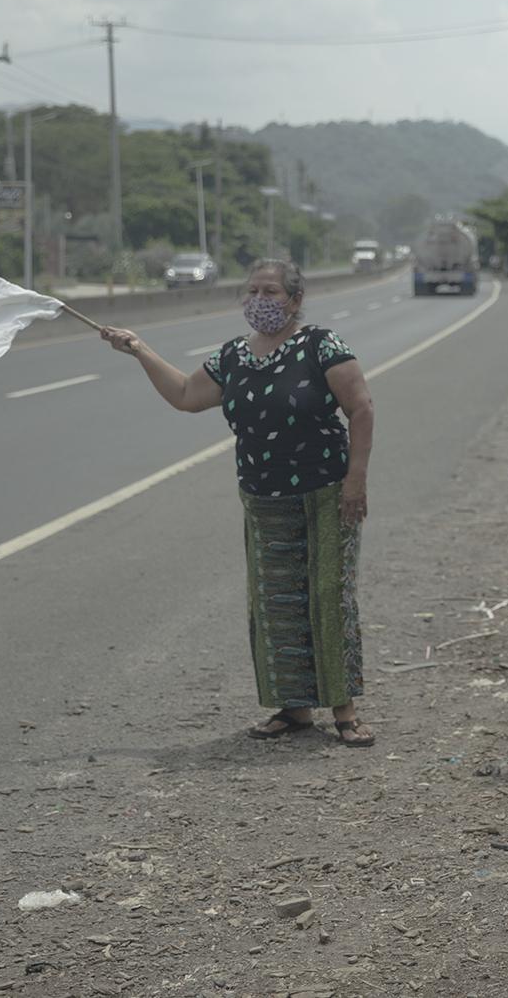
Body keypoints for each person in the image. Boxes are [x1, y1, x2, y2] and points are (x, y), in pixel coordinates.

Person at [99, 258, 378, 746]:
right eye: (251, 291)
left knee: (328, 598)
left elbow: (361, 407)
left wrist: (356, 480)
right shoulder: (232, 356)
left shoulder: (320, 345)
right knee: (276, 603)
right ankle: (294, 710)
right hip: (263, 498)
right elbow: (186, 395)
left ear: (294, 300)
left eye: (270, 291)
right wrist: (139, 350)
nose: (259, 300)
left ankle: (346, 712)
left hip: (326, 494)